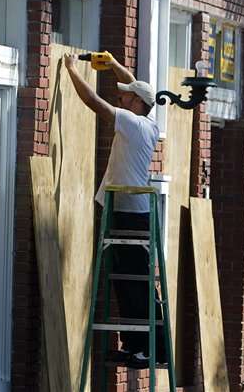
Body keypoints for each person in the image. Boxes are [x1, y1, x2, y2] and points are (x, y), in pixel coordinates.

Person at [63, 53, 166, 369]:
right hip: (127, 210)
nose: (121, 96)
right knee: (126, 283)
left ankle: (151, 349)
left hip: (131, 214)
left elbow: (95, 102)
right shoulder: (147, 121)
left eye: (126, 95)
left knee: (136, 284)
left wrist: (70, 70)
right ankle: (137, 346)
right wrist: (112, 64)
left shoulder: (133, 123)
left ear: (136, 102)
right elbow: (135, 87)